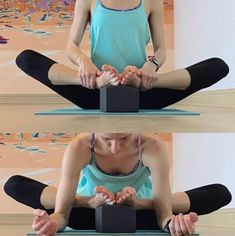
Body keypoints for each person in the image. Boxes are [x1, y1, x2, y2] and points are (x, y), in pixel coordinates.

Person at [15, 0, 229, 109]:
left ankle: (145, 83)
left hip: (141, 91)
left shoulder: (151, 1)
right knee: (26, 58)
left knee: (218, 66)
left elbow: (161, 49)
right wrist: (85, 63)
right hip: (95, 92)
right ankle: (96, 82)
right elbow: (71, 45)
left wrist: (149, 68)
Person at [4, 133, 232, 236]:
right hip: (86, 209)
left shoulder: (152, 147)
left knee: (221, 194)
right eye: (106, 140)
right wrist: (51, 222)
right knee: (14, 184)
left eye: (123, 139)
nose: (114, 147)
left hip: (143, 206)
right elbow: (62, 214)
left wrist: (171, 221)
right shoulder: (80, 146)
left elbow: (164, 216)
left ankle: (134, 207)